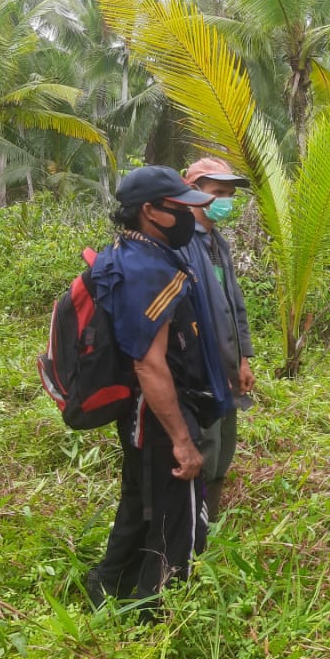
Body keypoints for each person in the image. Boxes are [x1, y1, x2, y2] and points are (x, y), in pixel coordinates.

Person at [85, 165, 234, 618]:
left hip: (144, 413)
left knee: (140, 503)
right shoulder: (146, 268)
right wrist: (184, 443)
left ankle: (108, 587)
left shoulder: (133, 252)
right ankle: (155, 614)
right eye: (180, 208)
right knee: (177, 520)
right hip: (159, 411)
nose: (191, 216)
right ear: (149, 211)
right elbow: (149, 365)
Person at [179, 156, 256, 525]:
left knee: (224, 446)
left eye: (229, 193)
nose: (225, 200)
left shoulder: (217, 242)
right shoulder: (181, 245)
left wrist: (243, 360)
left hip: (227, 366)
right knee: (204, 448)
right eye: (217, 193)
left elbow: (233, 306)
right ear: (193, 192)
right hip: (200, 369)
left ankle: (210, 520)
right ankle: (193, 527)